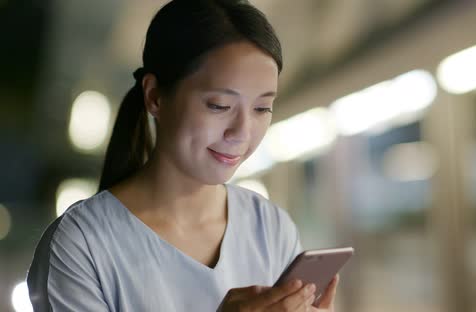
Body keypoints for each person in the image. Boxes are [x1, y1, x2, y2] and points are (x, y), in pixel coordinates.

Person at [26, 0, 339, 311]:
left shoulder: (269, 227)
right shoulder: (80, 246)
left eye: (261, 108)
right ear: (155, 97)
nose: (241, 132)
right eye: (219, 105)